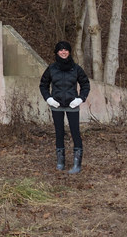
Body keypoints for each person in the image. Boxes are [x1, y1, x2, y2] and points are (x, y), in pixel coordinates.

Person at [39, 40, 90, 174]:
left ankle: (77, 164)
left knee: (75, 133)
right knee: (59, 133)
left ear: (69, 52)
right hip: (57, 105)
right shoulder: (51, 68)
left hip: (72, 106)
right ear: (57, 52)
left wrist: (80, 99)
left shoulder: (76, 68)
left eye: (66, 50)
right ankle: (60, 162)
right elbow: (43, 85)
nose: (63, 52)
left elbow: (85, 85)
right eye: (61, 50)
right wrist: (48, 98)